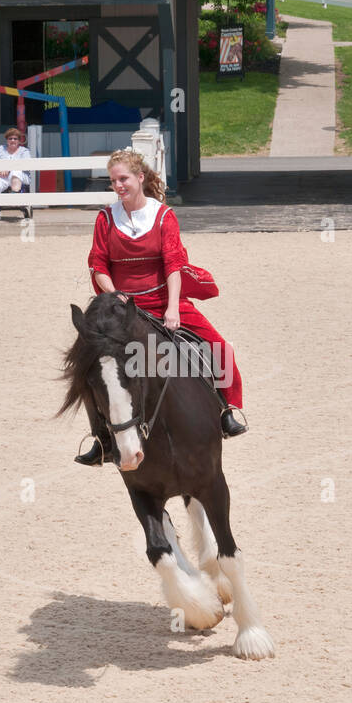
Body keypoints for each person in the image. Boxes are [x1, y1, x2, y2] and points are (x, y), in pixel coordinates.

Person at [73, 149, 246, 466]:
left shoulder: (164, 216)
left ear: (140, 178)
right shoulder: (105, 218)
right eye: (114, 181)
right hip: (122, 304)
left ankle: (227, 409)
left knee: (219, 348)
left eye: (123, 178)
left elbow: (174, 266)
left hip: (164, 298)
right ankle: (101, 439)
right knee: (88, 364)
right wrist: (116, 296)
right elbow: (98, 266)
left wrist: (173, 309)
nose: (119, 185)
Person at [0, 128, 32, 221]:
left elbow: (26, 165)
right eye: (10, 138)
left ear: (19, 141)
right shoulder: (0, 149)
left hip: (20, 177)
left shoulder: (24, 151)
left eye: (15, 138)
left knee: (16, 172)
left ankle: (14, 197)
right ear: (7, 140)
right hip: (1, 176)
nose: (13, 140)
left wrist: (9, 169)